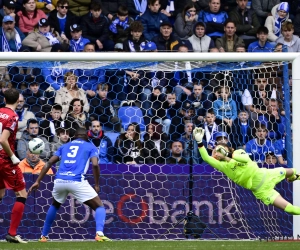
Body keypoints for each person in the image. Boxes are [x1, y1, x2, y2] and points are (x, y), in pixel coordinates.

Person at [28, 128, 112, 242]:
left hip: (60, 180)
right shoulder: (90, 146)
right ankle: (99, 234)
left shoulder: (64, 146)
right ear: (87, 136)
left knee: (55, 205)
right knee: (99, 206)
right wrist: (96, 184)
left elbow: (48, 162)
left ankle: (43, 236)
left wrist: (38, 181)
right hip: (76, 180)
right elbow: (96, 165)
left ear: (74, 136)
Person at [193, 126, 300, 215]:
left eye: (220, 149)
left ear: (230, 150)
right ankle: (292, 178)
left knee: (292, 171)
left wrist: (227, 155)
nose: (217, 152)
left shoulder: (239, 152)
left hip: (266, 174)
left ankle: (293, 178)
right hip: (261, 190)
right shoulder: (222, 166)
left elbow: (245, 159)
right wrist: (199, 142)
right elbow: (206, 158)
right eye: (216, 151)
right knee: (291, 210)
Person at [0, 88, 28, 243]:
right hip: (5, 159)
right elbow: (3, 140)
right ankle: (12, 233)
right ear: (18, 101)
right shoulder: (13, 117)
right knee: (22, 194)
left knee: (0, 194)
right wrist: (13, 156)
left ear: (4, 100)